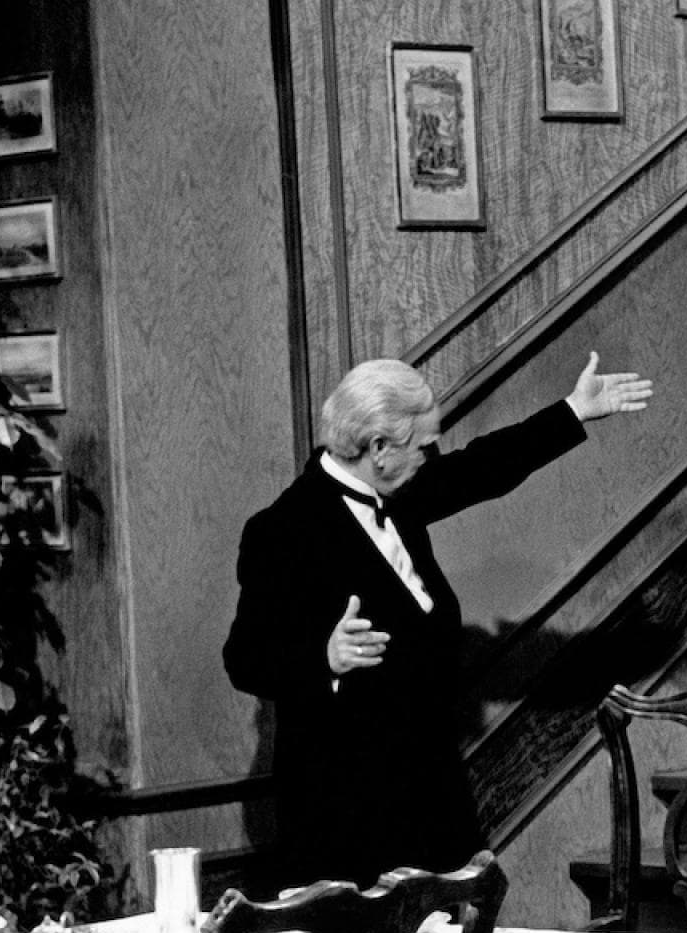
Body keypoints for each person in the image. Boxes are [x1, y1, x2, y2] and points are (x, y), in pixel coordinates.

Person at [224, 353, 652, 888]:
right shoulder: (284, 529)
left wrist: (574, 411)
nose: (434, 456)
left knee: (459, 926)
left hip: (428, 785)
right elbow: (245, 658)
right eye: (425, 446)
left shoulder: (395, 489)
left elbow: (480, 468)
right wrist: (324, 657)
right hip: (346, 806)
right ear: (378, 448)